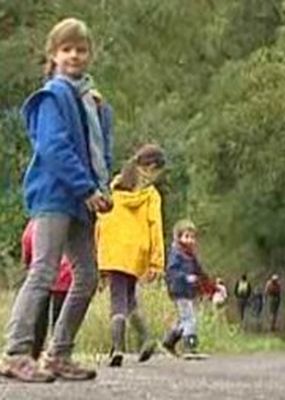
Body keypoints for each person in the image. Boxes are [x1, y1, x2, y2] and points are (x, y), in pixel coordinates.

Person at [0, 17, 113, 383]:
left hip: (83, 198)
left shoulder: (90, 99)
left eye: (81, 50)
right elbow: (52, 147)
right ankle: (15, 351)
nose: (75, 56)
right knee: (44, 270)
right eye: (67, 50)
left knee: (87, 276)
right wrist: (86, 188)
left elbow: (98, 147)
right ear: (53, 55)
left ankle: (58, 353)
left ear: (90, 54)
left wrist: (101, 189)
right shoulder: (53, 96)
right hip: (55, 193)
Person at [96, 144, 166, 367]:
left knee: (120, 298)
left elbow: (101, 220)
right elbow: (155, 227)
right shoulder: (150, 195)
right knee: (128, 296)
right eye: (158, 172)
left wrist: (98, 252)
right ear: (151, 167)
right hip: (136, 252)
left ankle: (119, 347)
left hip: (113, 249)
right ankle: (143, 339)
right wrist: (157, 261)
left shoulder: (114, 188)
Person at [21, 220, 73, 361]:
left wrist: (27, 265)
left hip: (43, 279)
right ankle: (56, 352)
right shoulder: (68, 224)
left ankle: (35, 352)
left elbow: (27, 246)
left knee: (39, 319)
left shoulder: (33, 225)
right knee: (60, 318)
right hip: (65, 277)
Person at [163, 219, 205, 357]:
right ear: (179, 237)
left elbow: (200, 271)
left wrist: (213, 286)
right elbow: (172, 271)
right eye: (186, 236)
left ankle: (169, 340)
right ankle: (190, 347)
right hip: (179, 290)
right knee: (189, 318)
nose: (190, 240)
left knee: (184, 319)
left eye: (192, 237)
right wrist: (185, 277)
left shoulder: (191, 255)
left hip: (189, 291)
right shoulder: (176, 254)